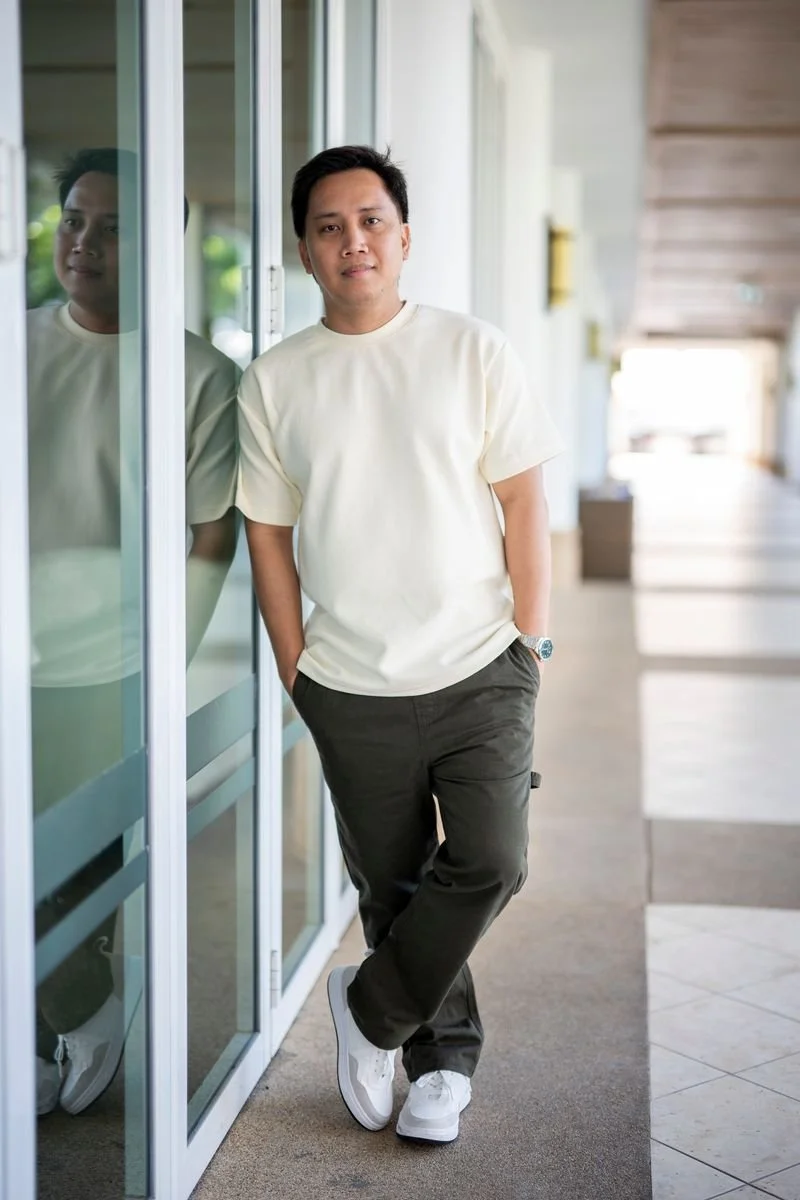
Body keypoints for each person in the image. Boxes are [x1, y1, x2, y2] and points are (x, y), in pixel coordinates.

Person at [236, 144, 563, 1144]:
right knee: (394, 885)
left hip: (479, 664)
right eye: (328, 226)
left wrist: (529, 642)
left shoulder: (472, 351)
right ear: (303, 248)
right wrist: (297, 672)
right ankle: (438, 1064)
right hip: (348, 680)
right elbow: (267, 535)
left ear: (405, 237)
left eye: (370, 221)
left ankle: (367, 1009)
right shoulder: (275, 381)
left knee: (492, 859)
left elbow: (522, 502)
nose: (352, 242)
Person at [29, 147, 239, 1116]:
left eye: (113, 227)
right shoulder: (13, 345)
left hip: (109, 668)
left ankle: (79, 1012)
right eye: (75, 218)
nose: (85, 241)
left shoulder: (195, 376)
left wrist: (165, 665)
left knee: (74, 870)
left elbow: (210, 536)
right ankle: (66, 1017)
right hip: (10, 659)